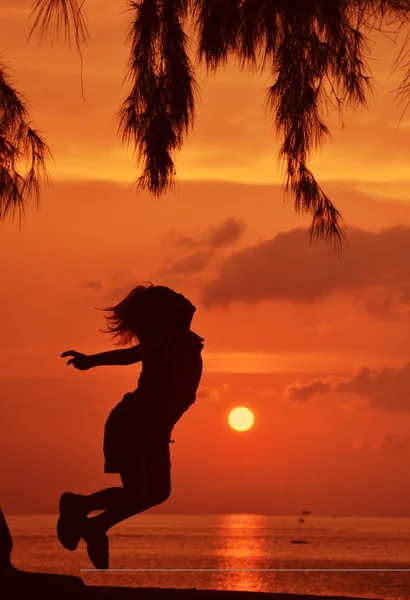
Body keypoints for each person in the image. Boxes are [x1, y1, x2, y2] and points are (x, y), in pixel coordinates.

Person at [56, 283, 204, 570]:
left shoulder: (181, 338)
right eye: (176, 298)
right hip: (133, 424)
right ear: (167, 315)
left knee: (159, 492)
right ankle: (79, 508)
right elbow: (129, 356)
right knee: (139, 492)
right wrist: (90, 362)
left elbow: (190, 307)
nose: (185, 299)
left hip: (155, 429)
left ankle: (95, 524)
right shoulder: (166, 340)